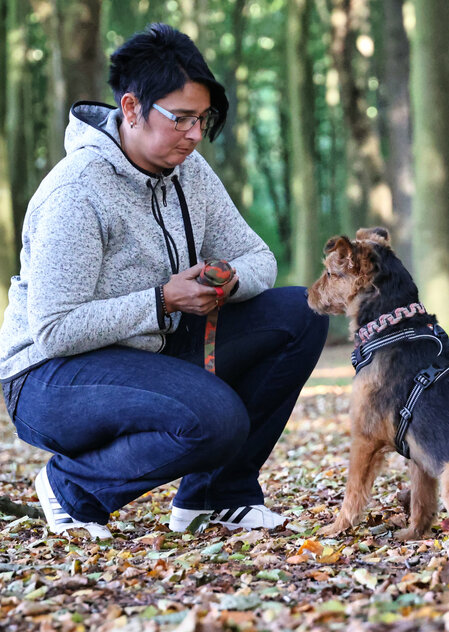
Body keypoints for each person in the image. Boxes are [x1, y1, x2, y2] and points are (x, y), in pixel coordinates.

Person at [0, 23, 328, 539]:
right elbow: (55, 329)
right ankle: (72, 486)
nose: (195, 134)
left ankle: (217, 498)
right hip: (48, 378)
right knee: (215, 419)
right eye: (181, 119)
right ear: (131, 109)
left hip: (149, 349)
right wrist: (161, 301)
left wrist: (229, 280)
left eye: (203, 119)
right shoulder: (77, 192)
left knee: (300, 313)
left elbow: (257, 256)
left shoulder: (189, 172)